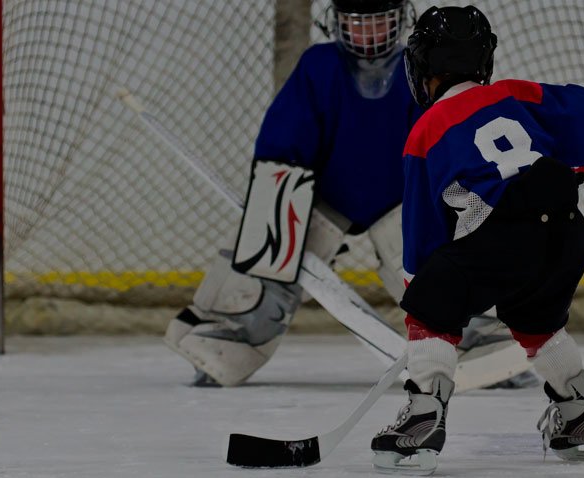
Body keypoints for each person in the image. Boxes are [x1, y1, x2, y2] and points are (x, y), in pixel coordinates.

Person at [163, 0, 537, 389]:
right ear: (337, 23)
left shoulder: (424, 67)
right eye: (357, 25)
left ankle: (485, 343)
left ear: (400, 20)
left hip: (404, 194)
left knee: (446, 259)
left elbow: (446, 136)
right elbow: (286, 139)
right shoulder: (319, 66)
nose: (369, 35)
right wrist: (276, 200)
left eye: (379, 22)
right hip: (325, 196)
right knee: (267, 239)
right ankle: (225, 339)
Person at [369, 5, 584, 474]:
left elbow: (424, 235)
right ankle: (579, 415)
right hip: (567, 227)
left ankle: (423, 416)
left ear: (421, 67)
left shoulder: (424, 132)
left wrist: (424, 304)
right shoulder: (514, 94)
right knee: (537, 320)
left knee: (431, 301)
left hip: (507, 231)